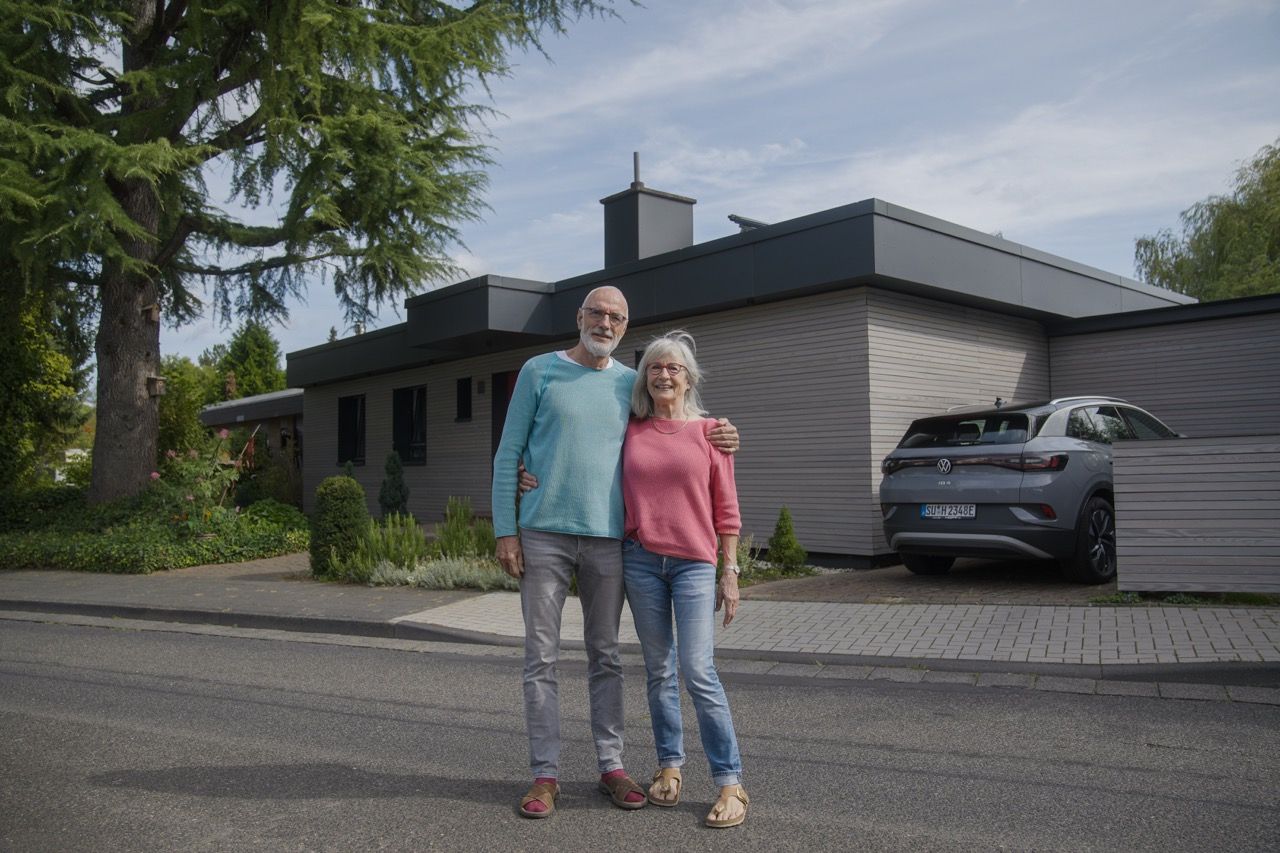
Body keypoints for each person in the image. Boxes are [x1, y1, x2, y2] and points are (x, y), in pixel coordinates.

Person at [491, 287, 739, 819]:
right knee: (542, 657)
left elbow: (678, 425)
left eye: (617, 317)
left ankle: (611, 765)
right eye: (597, 313)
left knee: (605, 655)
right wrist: (505, 528)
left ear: (625, 328)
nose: (605, 322)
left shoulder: (633, 384)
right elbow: (509, 451)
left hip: (610, 540)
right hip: (543, 534)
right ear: (579, 317)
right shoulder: (539, 371)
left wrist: (724, 432)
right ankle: (545, 776)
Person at [622, 330, 748, 829]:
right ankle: (670, 767)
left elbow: (728, 510)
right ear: (645, 377)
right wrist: (529, 472)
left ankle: (731, 782)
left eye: (674, 367)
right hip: (640, 561)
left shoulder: (712, 432)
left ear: (689, 377)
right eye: (655, 367)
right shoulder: (629, 429)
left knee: (697, 671)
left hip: (695, 565)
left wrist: (730, 571)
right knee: (658, 672)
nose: (664, 374)